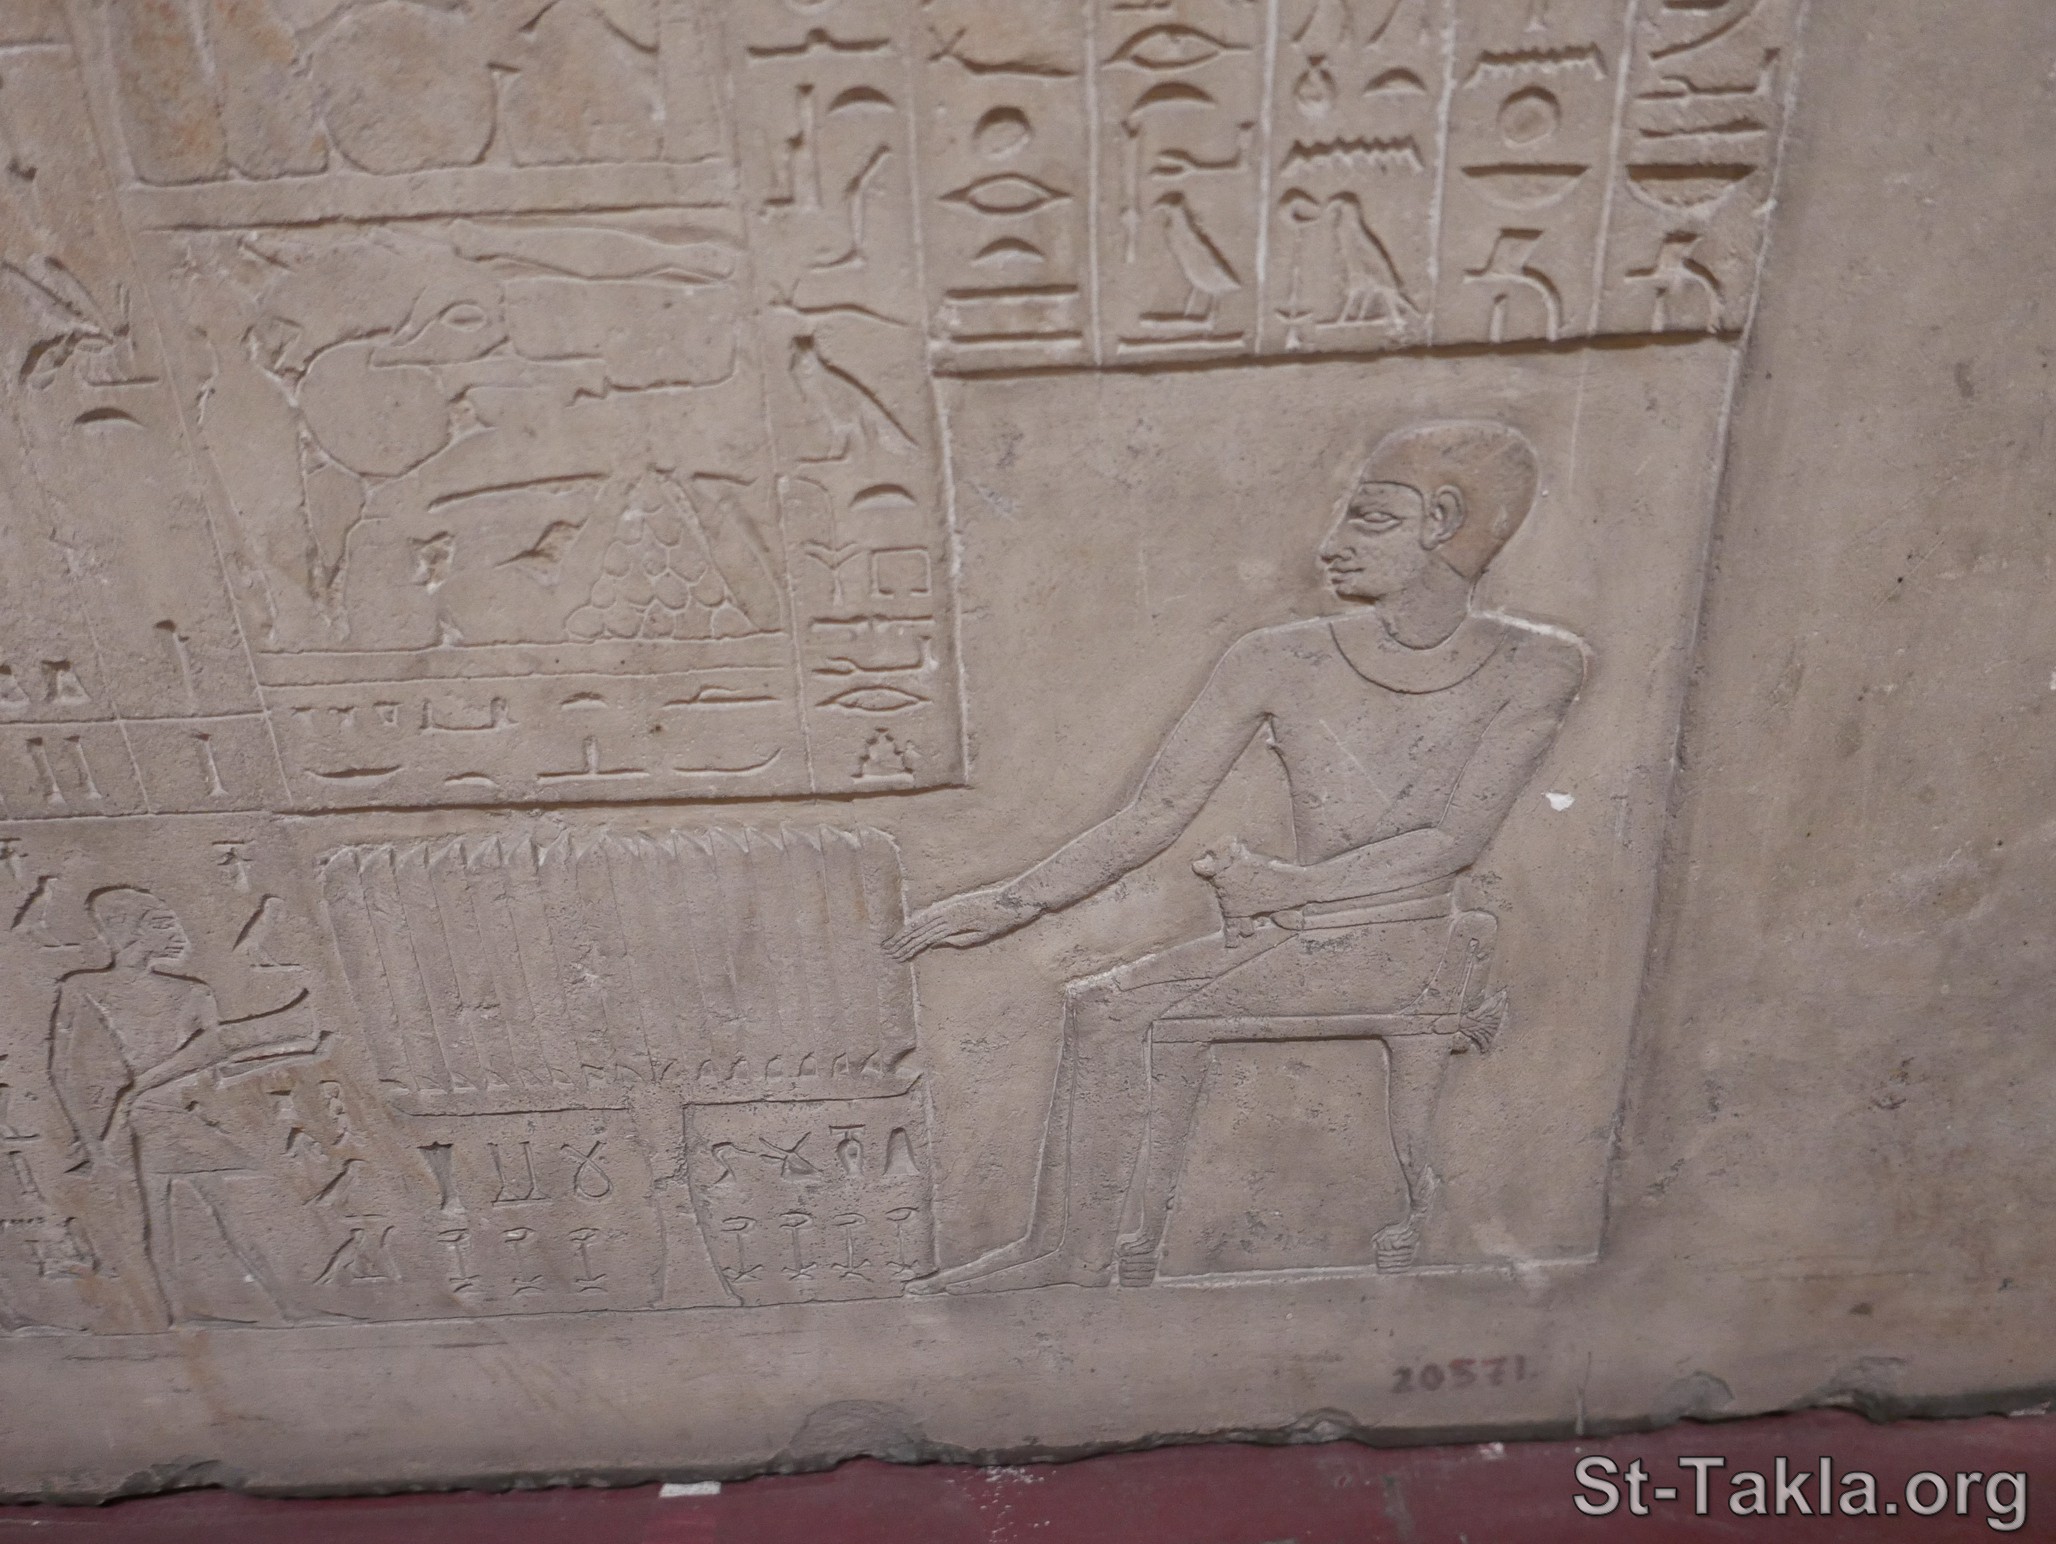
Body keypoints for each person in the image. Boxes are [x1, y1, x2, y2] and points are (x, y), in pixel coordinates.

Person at [886, 420, 1587, 1292]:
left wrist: (1293, 887)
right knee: (1104, 1005)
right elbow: (1154, 815)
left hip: (1406, 948)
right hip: (1296, 941)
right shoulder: (1275, 658)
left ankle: (1076, 1254)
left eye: (1369, 518)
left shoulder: (1539, 664)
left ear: (1442, 521)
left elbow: (1452, 843)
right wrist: (1011, 903)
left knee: (1117, 1013)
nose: (1331, 546)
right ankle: (1064, 1250)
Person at [49, 887, 316, 1321]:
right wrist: (93, 1144)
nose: (179, 935)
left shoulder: (194, 993)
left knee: (197, 1215)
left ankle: (209, 1314)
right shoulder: (83, 987)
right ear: (128, 932)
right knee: (178, 1218)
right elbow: (61, 1072)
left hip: (172, 1113)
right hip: (152, 1119)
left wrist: (292, 1053)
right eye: (162, 924)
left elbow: (216, 1069)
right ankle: (213, 1314)